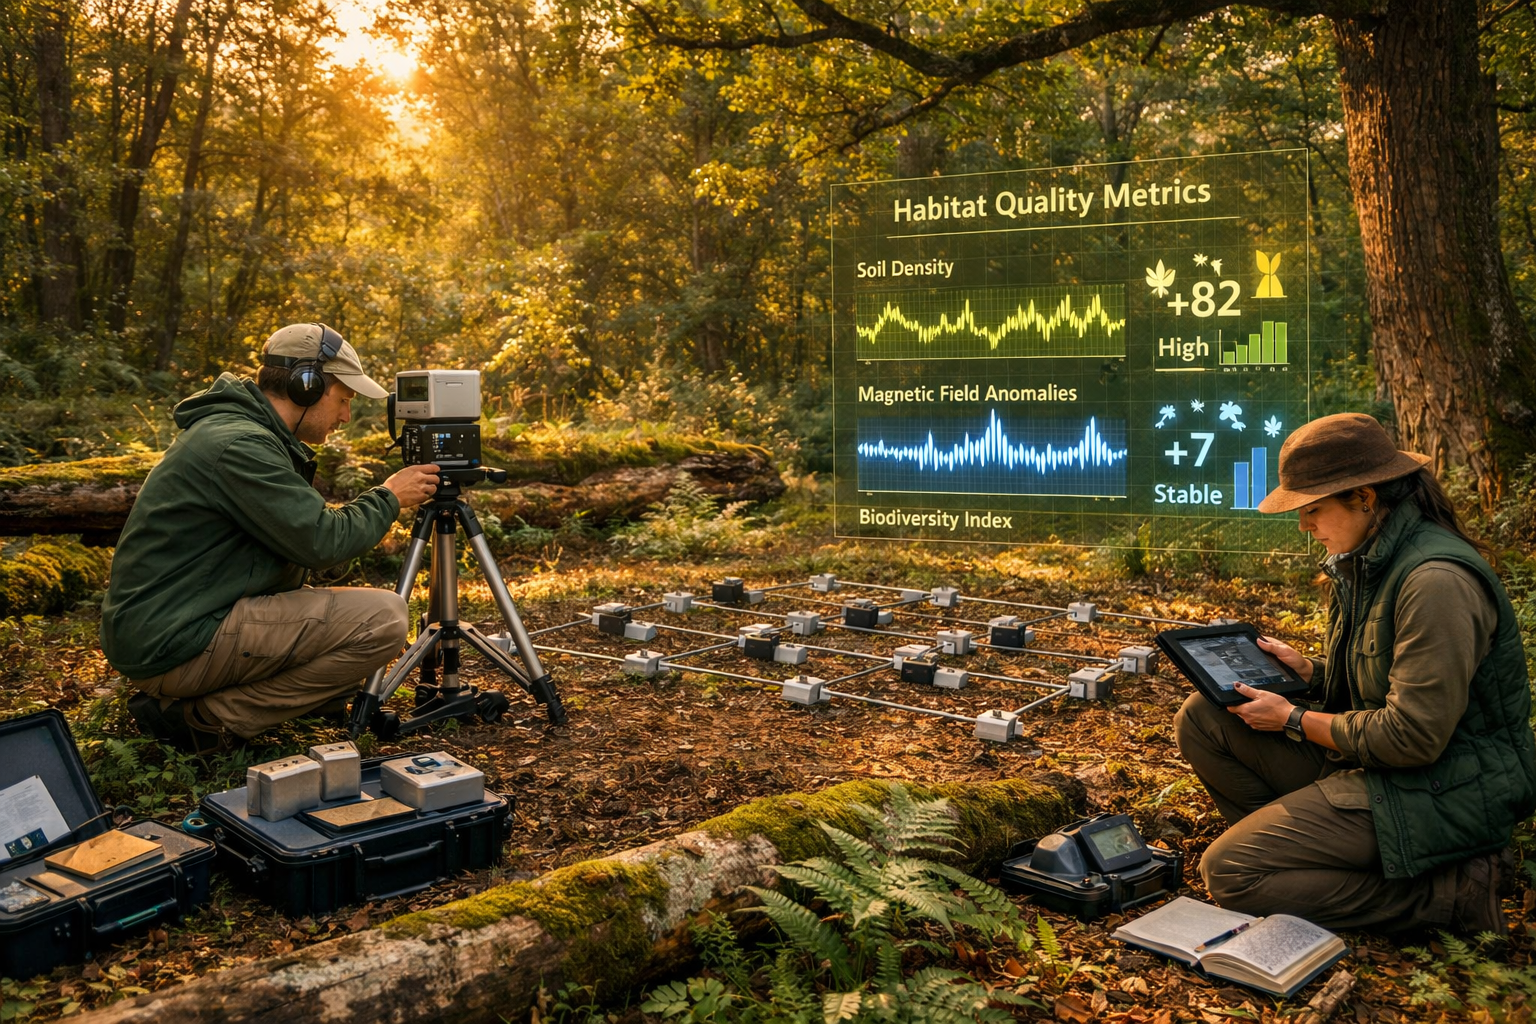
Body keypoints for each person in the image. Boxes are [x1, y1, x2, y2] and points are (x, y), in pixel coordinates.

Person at [1174, 412, 1536, 933]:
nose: (1303, 525)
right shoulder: (1370, 560)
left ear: (1365, 497)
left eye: (1313, 509)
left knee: (1231, 872)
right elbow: (1388, 683)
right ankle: (1312, 854)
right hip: (1385, 770)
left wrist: (1294, 719)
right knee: (1205, 717)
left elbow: (1413, 736)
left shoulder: (1435, 582)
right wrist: (1313, 674)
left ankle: (1451, 896)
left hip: (1444, 788)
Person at [102, 323, 441, 753]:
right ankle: (208, 720)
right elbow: (323, 542)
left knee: (343, 647)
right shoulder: (240, 446)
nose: (345, 416)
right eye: (344, 400)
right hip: (174, 640)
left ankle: (228, 700)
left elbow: (311, 548)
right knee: (384, 619)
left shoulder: (243, 434)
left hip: (173, 626)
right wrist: (389, 497)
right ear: (307, 386)